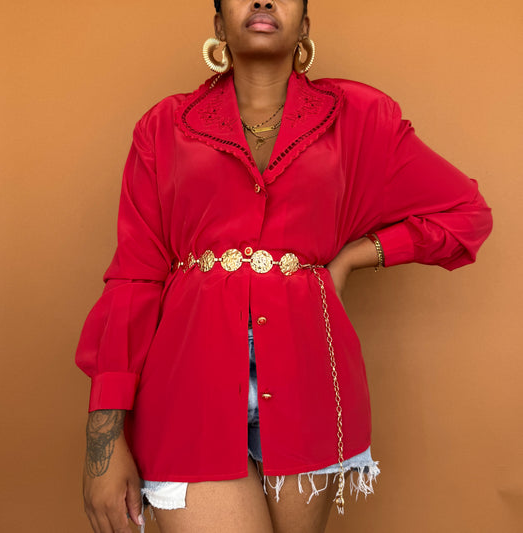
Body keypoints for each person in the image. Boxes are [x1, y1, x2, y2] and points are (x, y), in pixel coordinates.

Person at [75, 1, 493, 532]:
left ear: (305, 24)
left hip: (309, 383)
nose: (263, 0)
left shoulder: (360, 118)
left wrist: (352, 257)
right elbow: (133, 281)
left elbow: (465, 215)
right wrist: (104, 442)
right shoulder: (164, 127)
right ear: (218, 24)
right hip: (188, 390)